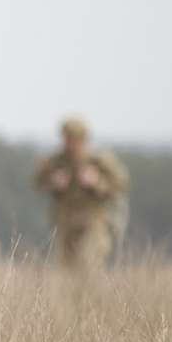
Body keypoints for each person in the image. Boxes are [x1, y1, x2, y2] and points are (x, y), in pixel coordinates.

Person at [33, 116, 130, 271]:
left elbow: (121, 186)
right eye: (66, 138)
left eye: (73, 139)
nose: (69, 143)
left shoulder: (99, 160)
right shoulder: (56, 162)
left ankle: (90, 295)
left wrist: (97, 183)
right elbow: (37, 182)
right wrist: (53, 182)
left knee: (89, 265)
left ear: (83, 139)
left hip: (93, 224)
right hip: (64, 223)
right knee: (63, 270)